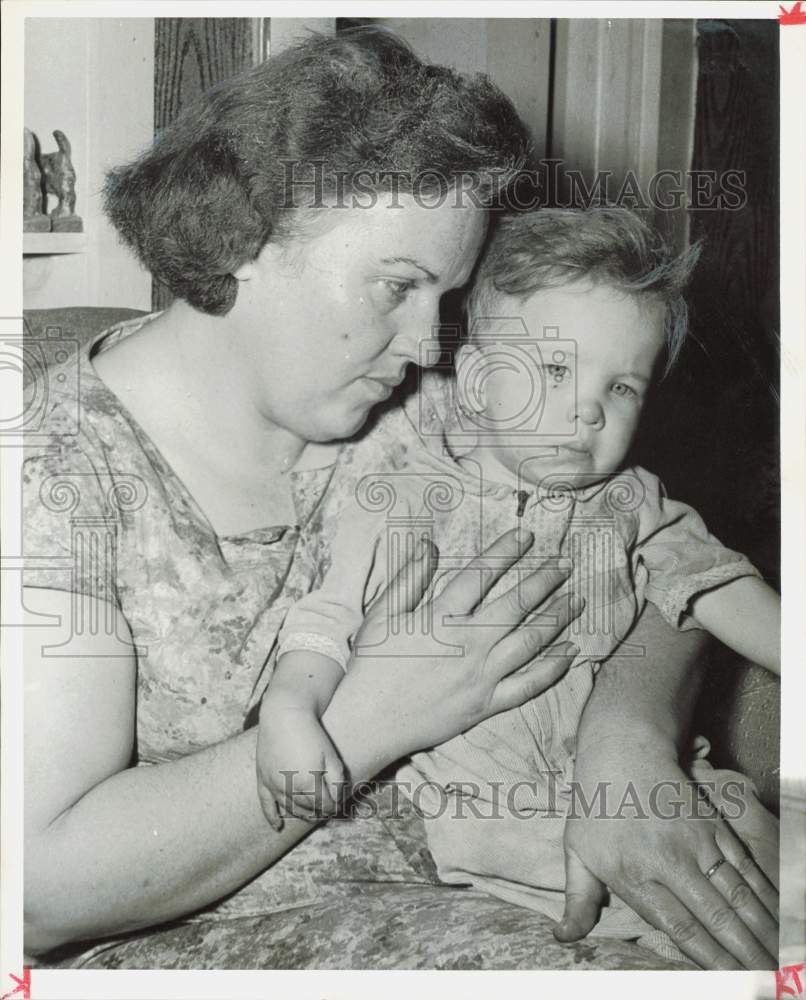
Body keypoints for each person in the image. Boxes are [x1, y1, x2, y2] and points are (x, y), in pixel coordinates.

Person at [21, 30, 777, 971]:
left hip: (526, 861)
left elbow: (647, 543)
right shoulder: (54, 471)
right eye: (399, 285)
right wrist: (368, 720)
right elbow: (33, 893)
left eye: (447, 296)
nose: (429, 344)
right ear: (248, 235)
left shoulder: (421, 398)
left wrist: (625, 743)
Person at [257, 208, 780, 961]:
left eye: (623, 387)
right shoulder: (402, 501)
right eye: (558, 370)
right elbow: (322, 624)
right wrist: (289, 709)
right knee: (701, 927)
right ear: (476, 381)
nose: (589, 408)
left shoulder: (633, 502)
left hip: (670, 784)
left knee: (769, 859)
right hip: (500, 815)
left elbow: (716, 587)